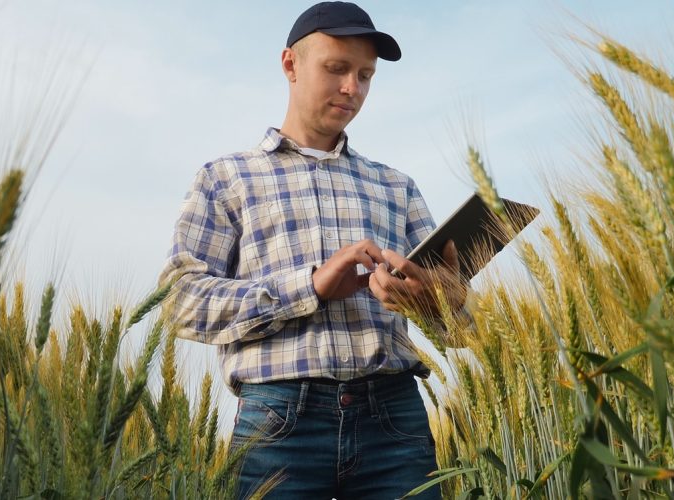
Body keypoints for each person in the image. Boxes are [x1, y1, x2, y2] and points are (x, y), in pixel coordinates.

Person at [156, 2, 469, 498]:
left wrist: (439, 300)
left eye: (366, 75)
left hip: (395, 416)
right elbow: (181, 302)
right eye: (337, 69)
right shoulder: (225, 178)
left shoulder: (397, 187)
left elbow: (462, 328)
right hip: (278, 423)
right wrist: (311, 286)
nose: (353, 88)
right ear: (290, 65)